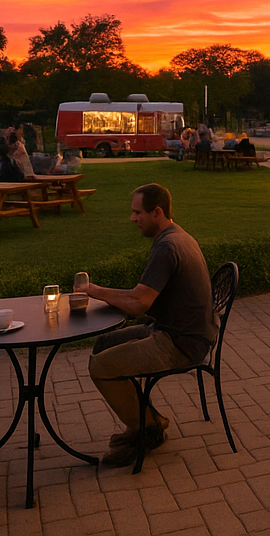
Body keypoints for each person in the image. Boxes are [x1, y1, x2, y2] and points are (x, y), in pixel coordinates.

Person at [79, 183, 216, 467]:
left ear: (157, 212)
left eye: (137, 212)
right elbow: (140, 297)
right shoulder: (177, 236)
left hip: (180, 343)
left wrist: (93, 291)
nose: (132, 218)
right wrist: (99, 293)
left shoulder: (167, 247)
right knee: (104, 344)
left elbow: (138, 303)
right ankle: (146, 420)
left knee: (100, 367)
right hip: (181, 331)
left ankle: (148, 429)